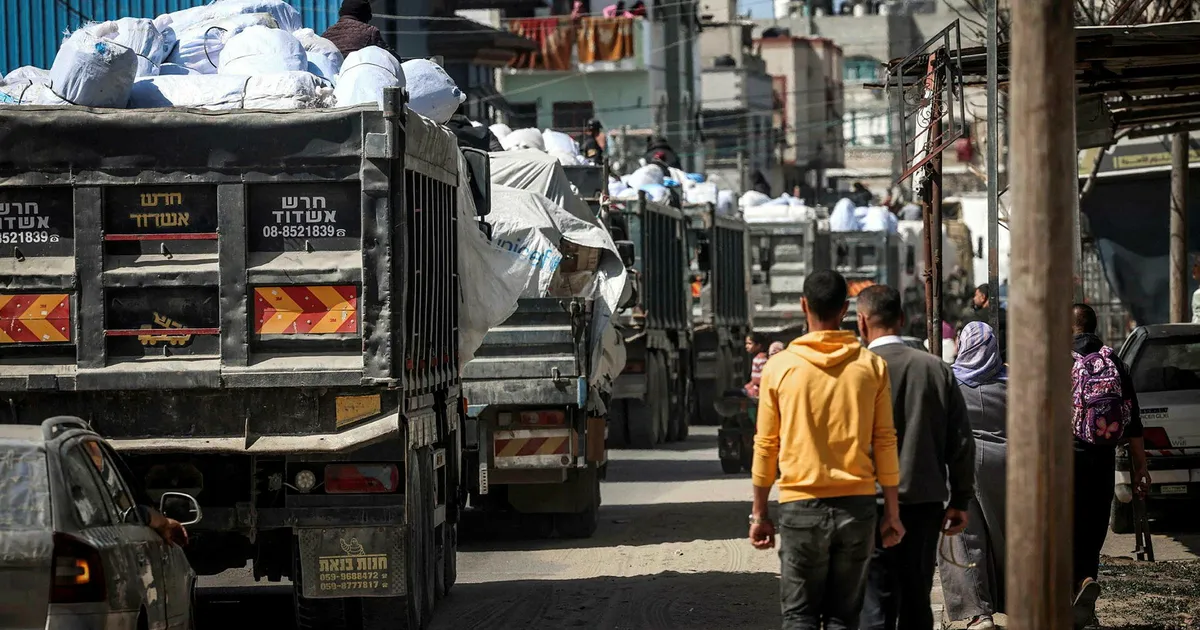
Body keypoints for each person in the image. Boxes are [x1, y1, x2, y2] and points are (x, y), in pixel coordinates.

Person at [750, 269, 905, 630]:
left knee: (799, 615)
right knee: (842, 617)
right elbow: (885, 440)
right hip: (857, 508)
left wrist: (759, 513)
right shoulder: (871, 367)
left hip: (799, 507)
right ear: (846, 310)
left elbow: (766, 445)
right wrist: (892, 512)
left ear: (804, 305)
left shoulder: (780, 367)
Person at [856, 285, 974, 630]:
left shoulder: (853, 371)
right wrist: (960, 500)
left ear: (862, 323)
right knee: (916, 597)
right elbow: (962, 441)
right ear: (902, 319)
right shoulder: (935, 369)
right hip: (923, 502)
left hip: (866, 503)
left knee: (872, 601)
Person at [1070, 304, 1150, 629]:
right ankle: (1087, 588)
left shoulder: (1059, 360)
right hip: (1102, 455)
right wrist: (1141, 466)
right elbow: (1133, 420)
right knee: (1094, 525)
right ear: (1095, 326)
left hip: (1066, 458)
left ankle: (1072, 589)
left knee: (1066, 526)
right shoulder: (1114, 361)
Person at [938, 321, 1008, 630]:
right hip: (1010, 466)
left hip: (962, 467)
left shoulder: (951, 383)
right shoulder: (1011, 382)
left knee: (964, 538)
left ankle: (980, 614)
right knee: (1008, 536)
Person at [321, 0, 392, 57]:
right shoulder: (370, 32)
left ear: (341, 13)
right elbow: (390, 57)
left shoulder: (326, 35)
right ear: (366, 16)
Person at [971, 284, 1007, 363]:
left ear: (983, 297)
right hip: (1003, 359)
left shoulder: (976, 316)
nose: (974, 298)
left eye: (976, 295)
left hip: (983, 360)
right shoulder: (1005, 314)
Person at [743, 332, 769, 397]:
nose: (746, 346)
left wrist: (751, 385)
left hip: (757, 391)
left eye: (749, 343)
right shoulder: (757, 358)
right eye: (746, 343)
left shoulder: (761, 359)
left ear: (758, 345)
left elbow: (763, 378)